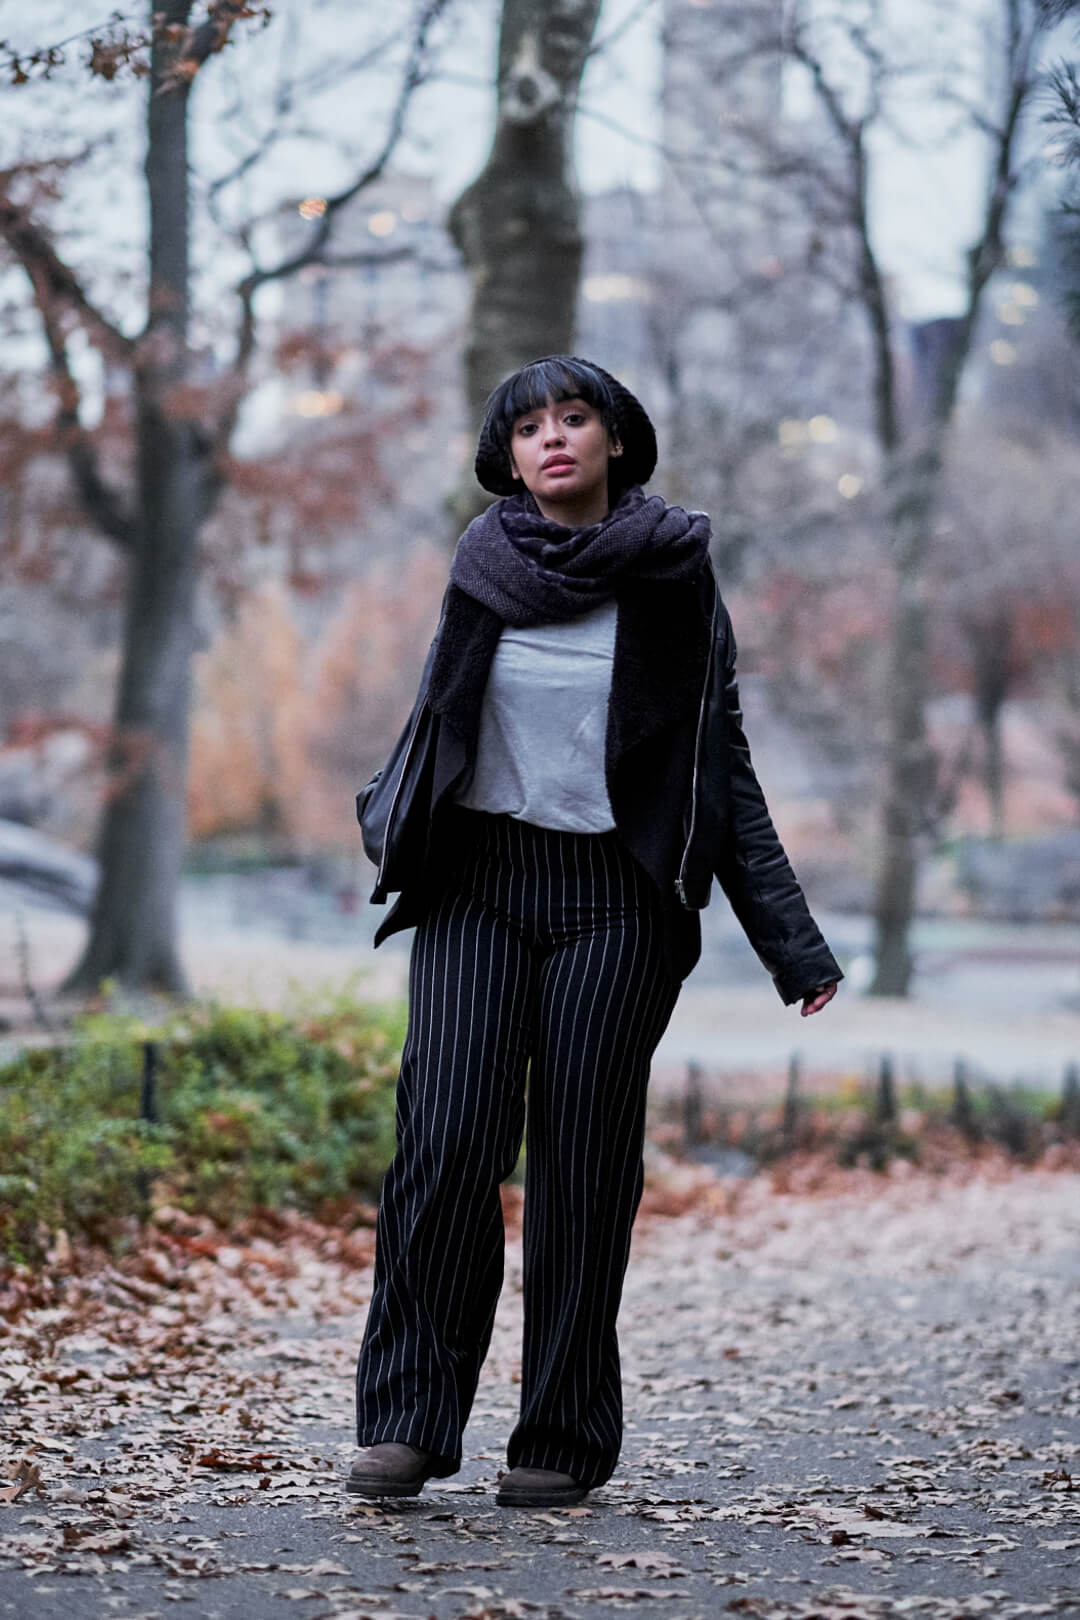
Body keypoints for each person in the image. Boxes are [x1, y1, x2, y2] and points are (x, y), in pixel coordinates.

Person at [347, 356, 841, 1509]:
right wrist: (386, 818)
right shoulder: (485, 564)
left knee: (580, 1164)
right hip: (478, 883)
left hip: (616, 900)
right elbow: (439, 720)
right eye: (529, 426)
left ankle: (562, 1434)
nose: (553, 438)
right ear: (506, 455)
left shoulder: (673, 574)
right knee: (446, 1142)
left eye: (575, 418)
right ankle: (409, 1421)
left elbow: (720, 764)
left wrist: (790, 940)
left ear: (617, 438)